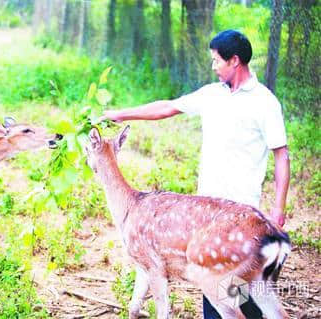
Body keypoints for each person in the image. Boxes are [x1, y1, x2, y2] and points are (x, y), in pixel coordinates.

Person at [99, 30, 290, 319]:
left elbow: (281, 156)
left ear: (234, 61)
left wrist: (278, 208)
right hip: (205, 214)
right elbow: (166, 108)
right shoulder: (211, 95)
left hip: (239, 218)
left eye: (216, 61)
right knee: (244, 296)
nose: (213, 67)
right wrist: (118, 114)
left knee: (226, 300)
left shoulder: (265, 103)